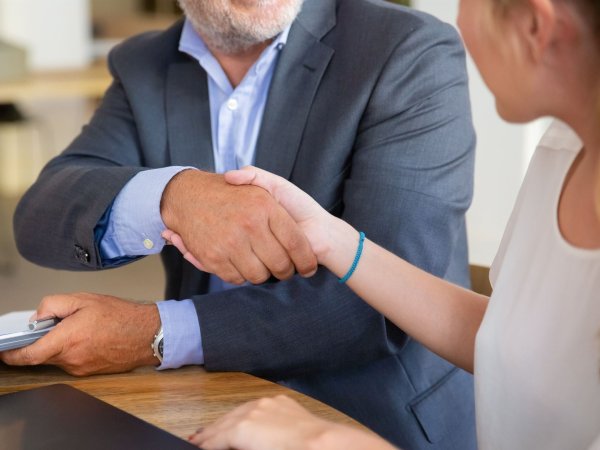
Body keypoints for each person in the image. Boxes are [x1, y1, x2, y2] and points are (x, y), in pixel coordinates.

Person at [4, 1, 478, 448]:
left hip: (373, 419)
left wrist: (155, 333)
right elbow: (42, 214)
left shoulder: (408, 51)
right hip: (198, 407)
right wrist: (172, 195)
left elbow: (378, 307)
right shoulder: (145, 62)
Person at [180, 0, 600, 449]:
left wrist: (323, 439)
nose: (459, 21)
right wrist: (331, 238)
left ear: (536, 26)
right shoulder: (563, 153)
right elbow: (515, 336)